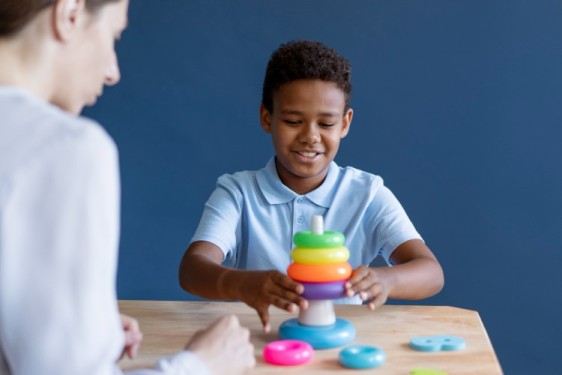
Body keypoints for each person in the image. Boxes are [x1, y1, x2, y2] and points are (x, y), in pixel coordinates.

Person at [0, 1, 255, 374]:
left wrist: (79, 332)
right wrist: (199, 365)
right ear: (69, 14)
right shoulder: (67, 149)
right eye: (113, 35)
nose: (112, 72)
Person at [179, 40, 445, 334]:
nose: (310, 137)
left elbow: (431, 272)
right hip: (260, 343)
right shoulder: (238, 193)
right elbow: (192, 269)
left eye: (326, 124)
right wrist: (243, 284)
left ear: (345, 124)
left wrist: (386, 280)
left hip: (339, 347)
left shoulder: (368, 195)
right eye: (293, 121)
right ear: (267, 118)